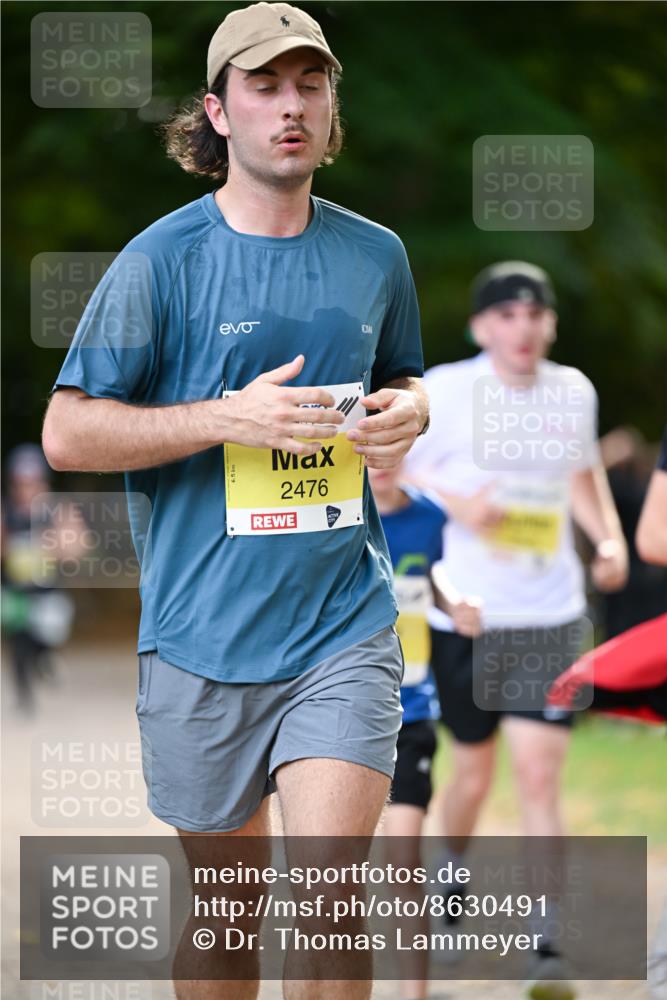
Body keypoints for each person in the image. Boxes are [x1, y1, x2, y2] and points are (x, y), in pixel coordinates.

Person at [41, 4, 429, 999]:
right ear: (218, 110)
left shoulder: (375, 254)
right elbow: (69, 432)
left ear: (332, 105)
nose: (290, 107)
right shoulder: (159, 262)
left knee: (333, 900)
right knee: (226, 920)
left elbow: (406, 379)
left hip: (339, 625)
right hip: (198, 640)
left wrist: (407, 413)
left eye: (310, 84)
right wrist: (226, 417)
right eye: (265, 86)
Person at [405, 261, 628, 999]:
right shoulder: (443, 389)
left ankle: (544, 938)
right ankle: (453, 870)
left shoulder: (572, 391)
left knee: (538, 775)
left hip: (548, 613)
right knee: (469, 774)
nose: (522, 328)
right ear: (479, 328)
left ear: (550, 325)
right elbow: (385, 468)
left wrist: (607, 539)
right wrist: (453, 505)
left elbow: (581, 474)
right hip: (464, 613)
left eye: (534, 315)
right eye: (505, 315)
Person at [369, 462, 481, 1000]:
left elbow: (432, 575)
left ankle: (415, 992)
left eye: (391, 449)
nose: (381, 464)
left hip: (411, 709)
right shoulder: (332, 515)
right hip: (342, 711)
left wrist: (454, 601)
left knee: (403, 856)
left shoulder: (430, 515)